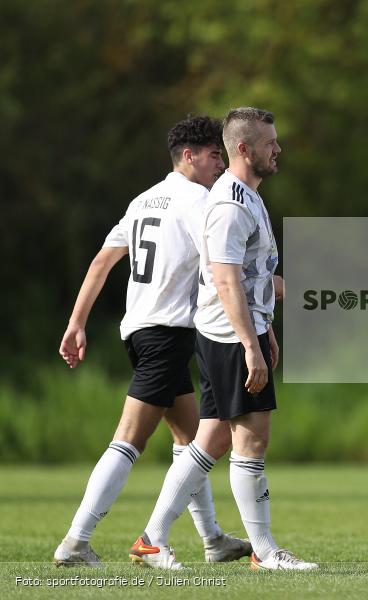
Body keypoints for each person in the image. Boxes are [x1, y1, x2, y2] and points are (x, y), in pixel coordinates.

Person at [53, 116, 252, 567]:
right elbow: (223, 267)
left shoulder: (143, 199)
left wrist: (76, 322)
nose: (220, 164)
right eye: (214, 155)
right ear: (189, 156)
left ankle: (213, 539)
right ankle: (76, 541)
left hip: (142, 331)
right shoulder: (201, 199)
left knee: (192, 439)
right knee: (129, 440)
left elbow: (102, 262)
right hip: (166, 334)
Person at [128, 107, 317, 571]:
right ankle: (266, 552)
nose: (278, 149)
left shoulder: (246, 195)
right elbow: (226, 279)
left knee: (210, 440)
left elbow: (253, 276)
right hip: (230, 337)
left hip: (234, 332)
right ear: (244, 149)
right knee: (252, 440)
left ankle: (150, 540)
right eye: (271, 142)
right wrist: (250, 343)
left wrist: (265, 326)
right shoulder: (231, 203)